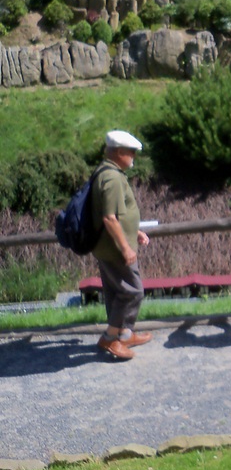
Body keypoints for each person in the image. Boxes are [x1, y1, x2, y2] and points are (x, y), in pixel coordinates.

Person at [92, 130, 151, 361]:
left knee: (117, 291)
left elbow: (114, 214)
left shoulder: (105, 172)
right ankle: (110, 338)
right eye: (132, 154)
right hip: (116, 249)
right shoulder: (112, 178)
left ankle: (124, 334)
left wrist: (133, 231)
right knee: (132, 291)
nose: (134, 158)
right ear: (119, 152)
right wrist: (126, 247)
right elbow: (109, 218)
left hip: (108, 246)